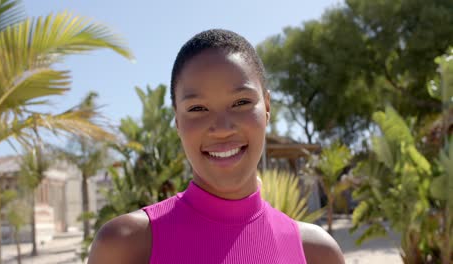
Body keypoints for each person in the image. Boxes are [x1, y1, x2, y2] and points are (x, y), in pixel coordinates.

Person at [88, 29, 345, 264]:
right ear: (177, 121)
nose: (222, 128)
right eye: (198, 108)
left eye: (241, 102)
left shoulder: (316, 253)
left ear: (267, 108)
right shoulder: (126, 245)